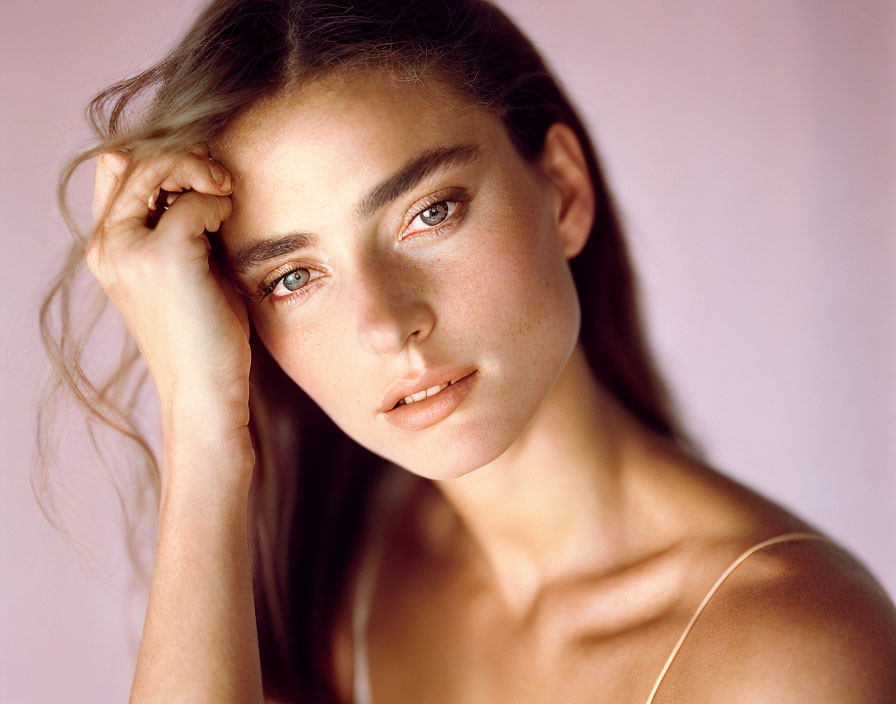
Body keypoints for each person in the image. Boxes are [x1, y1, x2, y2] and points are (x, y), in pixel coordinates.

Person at [39, 0, 896, 702]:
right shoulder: (339, 570)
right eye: (294, 278)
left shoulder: (791, 652)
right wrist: (201, 424)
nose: (385, 323)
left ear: (561, 191)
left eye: (430, 213)